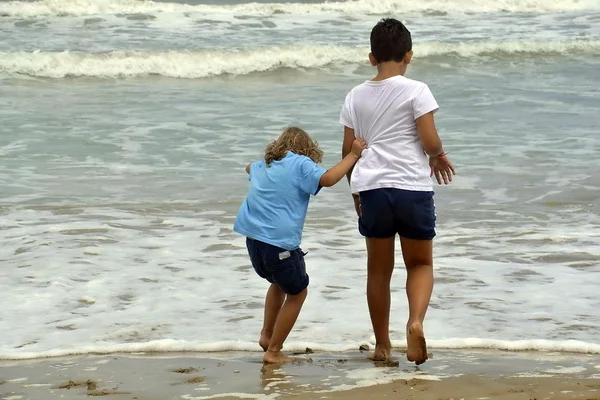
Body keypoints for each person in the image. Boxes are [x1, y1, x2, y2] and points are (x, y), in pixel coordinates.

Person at [339, 18, 456, 365]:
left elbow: (349, 151)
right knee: (419, 263)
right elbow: (429, 138)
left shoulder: (355, 96)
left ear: (371, 58)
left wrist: (356, 192)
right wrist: (438, 155)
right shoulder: (417, 90)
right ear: (410, 55)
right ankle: (416, 322)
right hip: (411, 189)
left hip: (373, 189)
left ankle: (382, 346)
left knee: (378, 271)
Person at [233, 126, 367, 364]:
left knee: (277, 283)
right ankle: (274, 351)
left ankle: (267, 335)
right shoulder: (300, 163)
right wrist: (353, 155)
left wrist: (262, 166)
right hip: (279, 245)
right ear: (307, 150)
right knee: (297, 292)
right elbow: (327, 179)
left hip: (254, 244)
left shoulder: (262, 165)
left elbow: (248, 167)